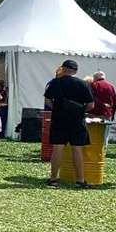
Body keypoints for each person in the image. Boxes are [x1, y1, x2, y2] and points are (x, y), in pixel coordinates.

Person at [43, 59, 95, 188]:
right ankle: (80, 180)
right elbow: (91, 105)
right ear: (75, 71)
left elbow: (47, 100)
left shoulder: (56, 83)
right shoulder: (83, 83)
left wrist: (56, 107)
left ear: (63, 69)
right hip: (76, 120)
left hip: (59, 119)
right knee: (77, 149)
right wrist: (80, 111)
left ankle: (53, 179)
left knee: (58, 148)